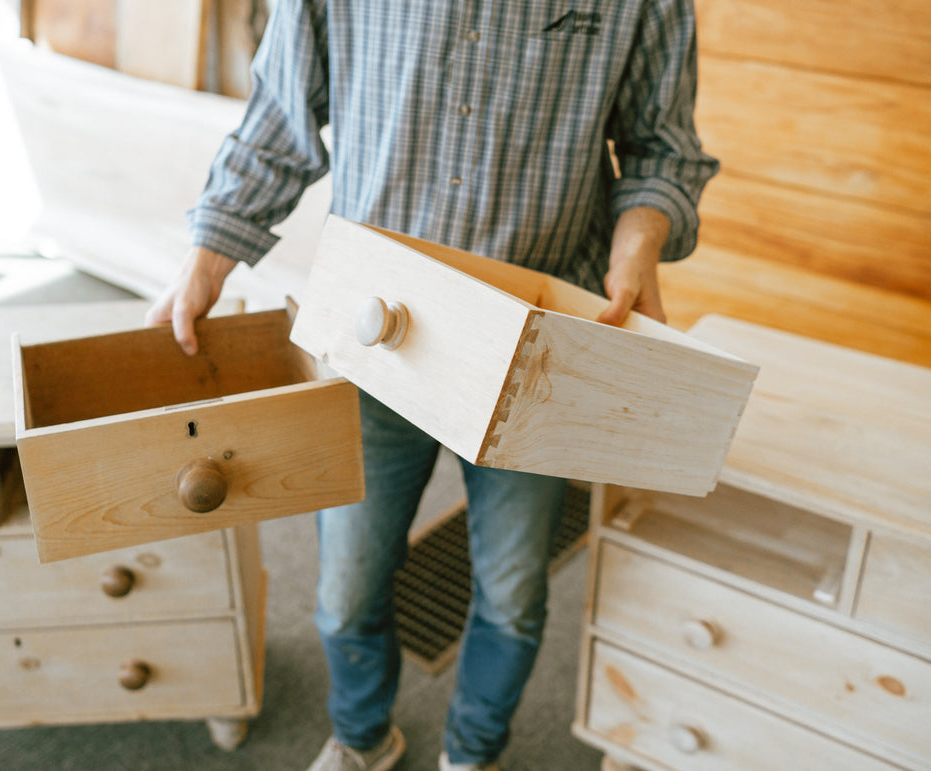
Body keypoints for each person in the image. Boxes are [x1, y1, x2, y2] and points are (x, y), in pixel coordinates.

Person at [147, 1, 718, 769]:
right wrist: (206, 258)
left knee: (513, 596)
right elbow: (279, 120)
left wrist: (636, 245)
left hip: (536, 350)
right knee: (345, 592)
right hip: (378, 330)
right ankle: (360, 739)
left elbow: (663, 151)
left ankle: (473, 753)